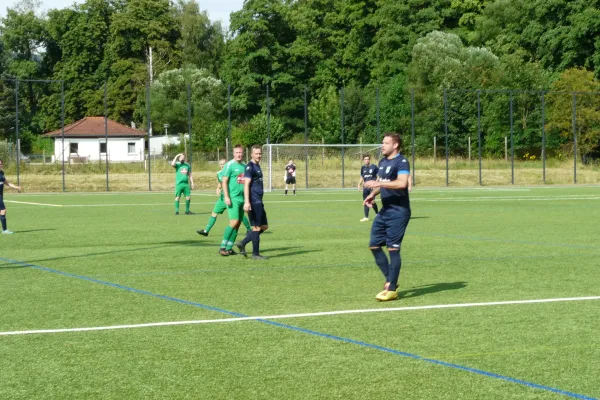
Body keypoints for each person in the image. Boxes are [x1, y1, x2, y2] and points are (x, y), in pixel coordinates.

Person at [363, 133, 411, 302]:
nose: (382, 145)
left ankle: (391, 288)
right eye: (382, 143)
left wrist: (379, 184)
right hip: (385, 210)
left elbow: (401, 183)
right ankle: (390, 279)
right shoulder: (382, 162)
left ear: (395, 145)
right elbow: (380, 182)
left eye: (386, 143)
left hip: (399, 212)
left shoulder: (402, 162)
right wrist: (372, 194)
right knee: (374, 245)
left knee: (393, 249)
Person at [197, 159, 251, 236]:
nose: (222, 166)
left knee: (239, 215)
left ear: (227, 164)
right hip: (222, 198)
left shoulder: (232, 171)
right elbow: (221, 183)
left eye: (224, 164)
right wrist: (218, 188)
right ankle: (206, 231)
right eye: (221, 164)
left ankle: (249, 230)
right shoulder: (219, 173)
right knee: (214, 213)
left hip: (232, 198)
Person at [236, 145, 269, 260]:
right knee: (256, 227)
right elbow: (246, 184)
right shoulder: (250, 167)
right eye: (256, 154)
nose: (259, 156)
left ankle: (243, 242)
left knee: (264, 226)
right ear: (251, 154)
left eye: (260, 153)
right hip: (253, 201)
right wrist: (246, 202)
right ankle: (255, 254)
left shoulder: (257, 165)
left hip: (258, 200)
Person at [219, 145, 246, 256]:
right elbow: (224, 181)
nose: (239, 154)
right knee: (233, 222)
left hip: (242, 199)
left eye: (240, 152)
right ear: (233, 153)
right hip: (233, 198)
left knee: (238, 223)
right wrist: (226, 196)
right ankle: (222, 247)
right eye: (237, 152)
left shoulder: (245, 166)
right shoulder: (229, 165)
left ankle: (229, 248)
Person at [0, 158, 22, 235]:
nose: (0, 165)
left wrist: (16, 187)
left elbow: (7, 183)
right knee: (3, 210)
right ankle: (4, 230)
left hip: (1, 195)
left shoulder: (2, 173)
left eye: (1, 164)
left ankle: (4, 230)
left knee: (2, 211)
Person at [358, 155, 379, 222]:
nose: (366, 160)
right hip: (365, 188)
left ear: (369, 160)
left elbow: (379, 176)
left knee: (372, 201)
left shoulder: (374, 167)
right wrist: (359, 184)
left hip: (372, 187)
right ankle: (366, 217)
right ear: (363, 160)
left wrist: (375, 183)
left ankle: (377, 214)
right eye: (365, 159)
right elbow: (362, 177)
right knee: (366, 201)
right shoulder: (363, 168)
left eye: (368, 159)